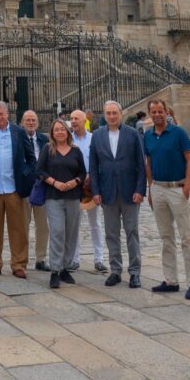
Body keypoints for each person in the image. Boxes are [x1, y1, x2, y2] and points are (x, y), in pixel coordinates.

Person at [144, 98, 190, 300]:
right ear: (150, 114)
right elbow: (148, 163)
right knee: (166, 238)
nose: (157, 115)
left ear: (166, 112)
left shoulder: (178, 133)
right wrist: (150, 189)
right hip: (158, 188)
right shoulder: (148, 135)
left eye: (160, 111)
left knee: (186, 237)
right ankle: (171, 280)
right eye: (154, 112)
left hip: (177, 188)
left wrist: (187, 187)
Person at [89, 100, 146, 288]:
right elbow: (93, 166)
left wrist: (140, 189)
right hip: (107, 192)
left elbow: (141, 164)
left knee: (132, 232)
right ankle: (115, 270)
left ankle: (135, 272)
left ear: (120, 114)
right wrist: (95, 191)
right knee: (111, 233)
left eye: (114, 113)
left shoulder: (132, 134)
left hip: (130, 192)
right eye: (108, 113)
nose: (111, 116)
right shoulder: (97, 136)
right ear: (104, 115)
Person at [0, 100, 37, 279]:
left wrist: (26, 175)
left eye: (1, 114)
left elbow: (31, 158)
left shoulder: (19, 132)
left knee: (18, 228)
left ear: (7, 114)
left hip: (14, 188)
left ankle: (18, 263)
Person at [35, 119, 87, 288]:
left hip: (73, 196)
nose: (59, 132)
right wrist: (55, 182)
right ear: (52, 133)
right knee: (57, 231)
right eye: (56, 130)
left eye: (62, 130)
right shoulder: (47, 150)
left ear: (67, 132)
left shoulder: (75, 151)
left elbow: (82, 172)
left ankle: (65, 266)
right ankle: (55, 270)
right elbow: (40, 170)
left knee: (71, 233)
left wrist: (76, 181)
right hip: (54, 196)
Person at [69, 109, 107, 273]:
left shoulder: (94, 139)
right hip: (74, 185)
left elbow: (100, 160)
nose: (73, 121)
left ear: (84, 120)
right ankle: (74, 259)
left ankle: (99, 258)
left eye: (76, 118)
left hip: (92, 186)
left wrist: (92, 176)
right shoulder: (68, 140)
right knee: (74, 224)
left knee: (95, 223)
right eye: (71, 119)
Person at [21, 110, 50, 271]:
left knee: (42, 226)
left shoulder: (43, 139)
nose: (31, 123)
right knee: (23, 225)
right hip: (25, 187)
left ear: (37, 123)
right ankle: (22, 258)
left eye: (33, 120)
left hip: (41, 187)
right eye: (28, 120)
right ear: (22, 123)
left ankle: (41, 258)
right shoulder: (18, 139)